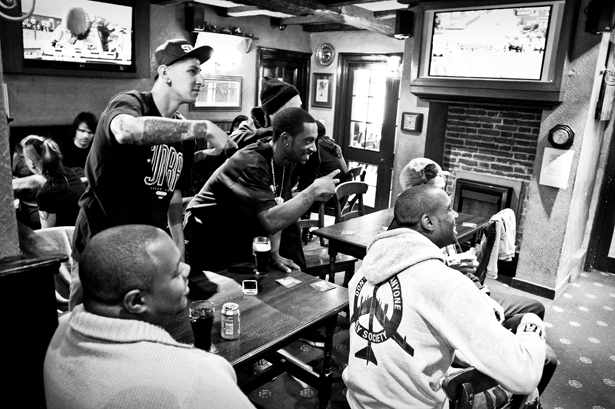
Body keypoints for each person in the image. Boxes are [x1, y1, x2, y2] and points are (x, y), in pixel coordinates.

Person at [343, 185, 547, 409]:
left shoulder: (362, 272)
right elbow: (524, 375)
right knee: (539, 371)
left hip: (358, 401)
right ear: (428, 222)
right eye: (449, 209)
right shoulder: (446, 284)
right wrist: (532, 324)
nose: (456, 215)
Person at [70, 38, 235, 310]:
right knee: (85, 326)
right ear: (165, 73)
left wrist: (179, 256)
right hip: (99, 246)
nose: (201, 79)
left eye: (201, 71)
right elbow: (127, 131)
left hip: (141, 254)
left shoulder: (183, 132)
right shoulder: (130, 102)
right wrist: (203, 128)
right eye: (192, 70)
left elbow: (173, 200)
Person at [44, 224, 255, 409]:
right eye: (175, 272)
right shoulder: (196, 376)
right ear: (135, 301)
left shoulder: (59, 329)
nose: (187, 269)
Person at [398, 157, 557, 394]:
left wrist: (480, 290)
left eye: (444, 193)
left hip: (465, 296)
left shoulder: (438, 236)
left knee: (534, 309)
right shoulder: (414, 248)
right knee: (545, 356)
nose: (455, 214)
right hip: (456, 307)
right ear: (417, 196)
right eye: (444, 204)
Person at [185, 107, 339, 273]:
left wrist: (275, 253)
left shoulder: (285, 158)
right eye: (308, 141)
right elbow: (271, 221)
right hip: (206, 240)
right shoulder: (253, 164)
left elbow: (277, 203)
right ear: (286, 139)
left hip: (234, 235)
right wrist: (313, 191)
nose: (314, 148)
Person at [13, 135, 85, 228]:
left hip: (70, 234)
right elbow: (38, 179)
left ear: (31, 162)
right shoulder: (68, 172)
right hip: (83, 227)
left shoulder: (45, 194)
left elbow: (48, 232)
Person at [59, 111, 98, 177]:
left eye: (90, 132)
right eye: (82, 131)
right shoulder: (62, 149)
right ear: (75, 130)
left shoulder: (96, 151)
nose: (86, 136)